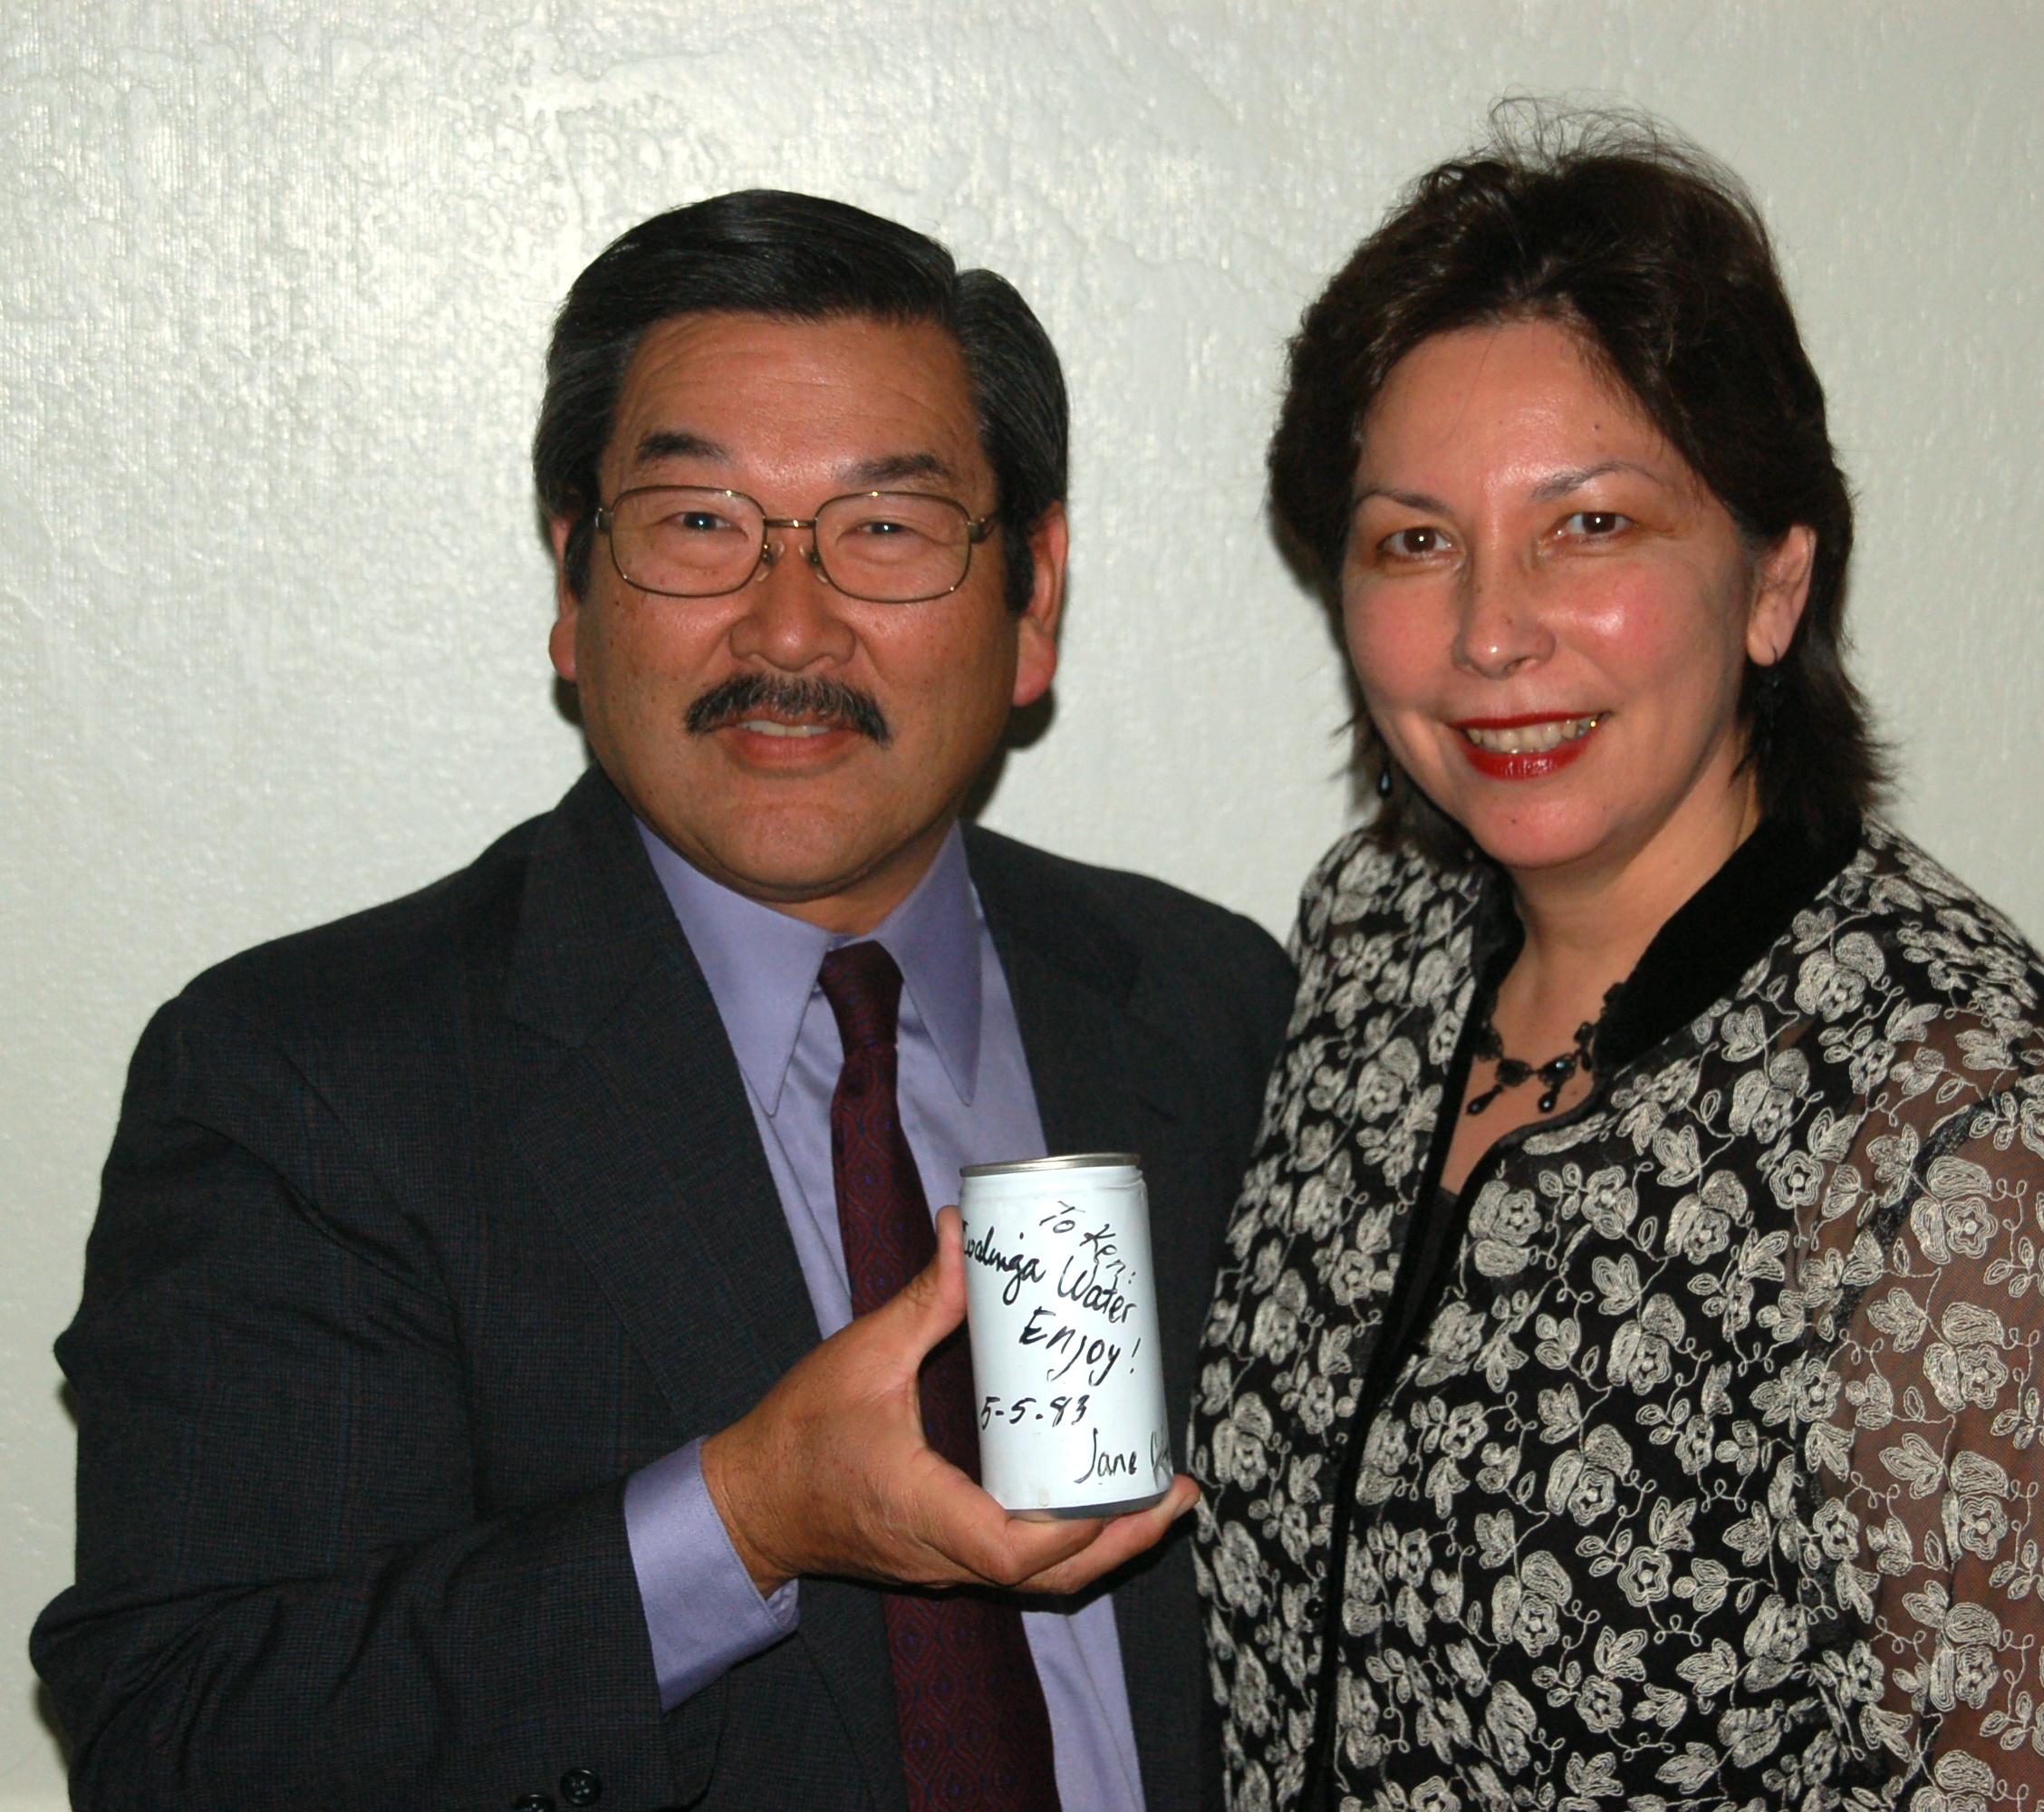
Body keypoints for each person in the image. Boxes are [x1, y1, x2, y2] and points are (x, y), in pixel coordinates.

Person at [34, 190, 1295, 1812]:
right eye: (700, 521)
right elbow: (186, 1744)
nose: (789, 626)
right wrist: (741, 1520)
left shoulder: (1218, 1010)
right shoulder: (307, 1083)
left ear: (1032, 596)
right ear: (575, 586)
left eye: (885, 529)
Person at [1191, 108, 2044, 1812]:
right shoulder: (1373, 944)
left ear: (1773, 584)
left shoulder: (1971, 1148)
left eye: (1591, 525)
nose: (1491, 630)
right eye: (1415, 540)